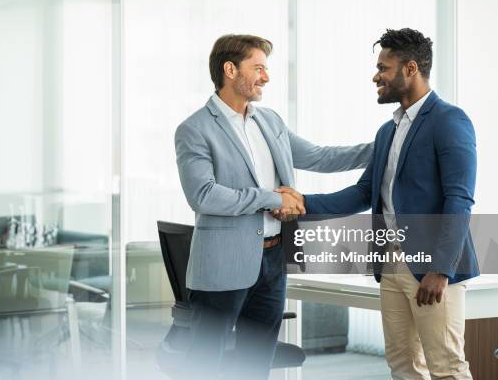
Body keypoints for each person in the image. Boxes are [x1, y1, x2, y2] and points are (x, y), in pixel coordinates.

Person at [278, 28, 479, 379]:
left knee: (446, 366)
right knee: (402, 363)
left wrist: (441, 270)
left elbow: (459, 199)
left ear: (411, 69)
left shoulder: (449, 120)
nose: (376, 76)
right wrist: (303, 203)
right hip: (391, 263)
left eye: (383, 68)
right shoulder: (388, 131)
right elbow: (362, 192)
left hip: (432, 268)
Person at [174, 34, 372, 379]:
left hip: (273, 259)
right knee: (204, 365)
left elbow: (320, 156)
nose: (266, 77)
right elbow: (203, 195)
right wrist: (272, 198)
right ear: (230, 69)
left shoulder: (270, 121)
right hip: (223, 264)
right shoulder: (195, 129)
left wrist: (383, 146)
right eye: (259, 68)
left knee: (256, 363)